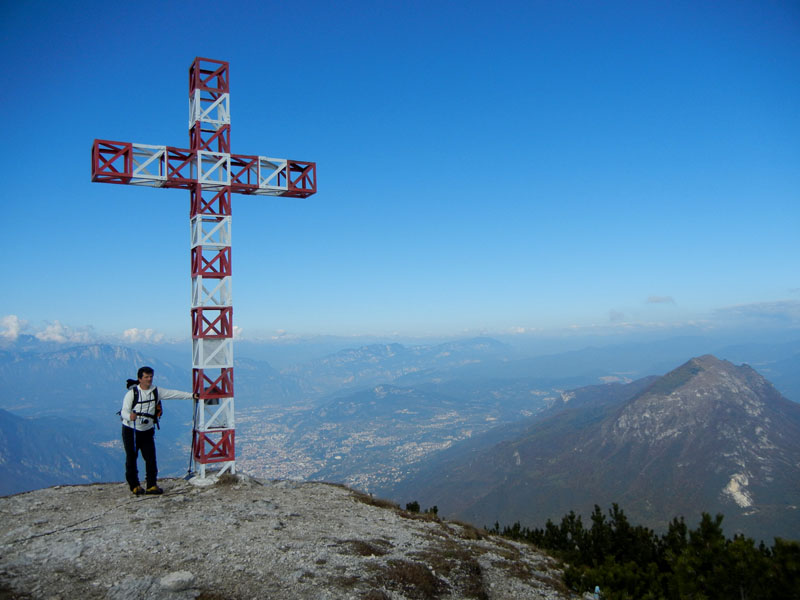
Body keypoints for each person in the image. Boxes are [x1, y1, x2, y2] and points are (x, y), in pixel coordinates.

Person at [121, 366, 198, 495]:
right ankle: (134, 485)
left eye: (150, 376)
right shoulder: (132, 394)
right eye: (146, 377)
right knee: (131, 458)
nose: (149, 379)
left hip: (147, 430)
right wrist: (129, 416)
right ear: (140, 379)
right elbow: (124, 410)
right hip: (131, 430)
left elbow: (173, 394)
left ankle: (151, 485)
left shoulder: (156, 391)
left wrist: (192, 396)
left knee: (151, 458)